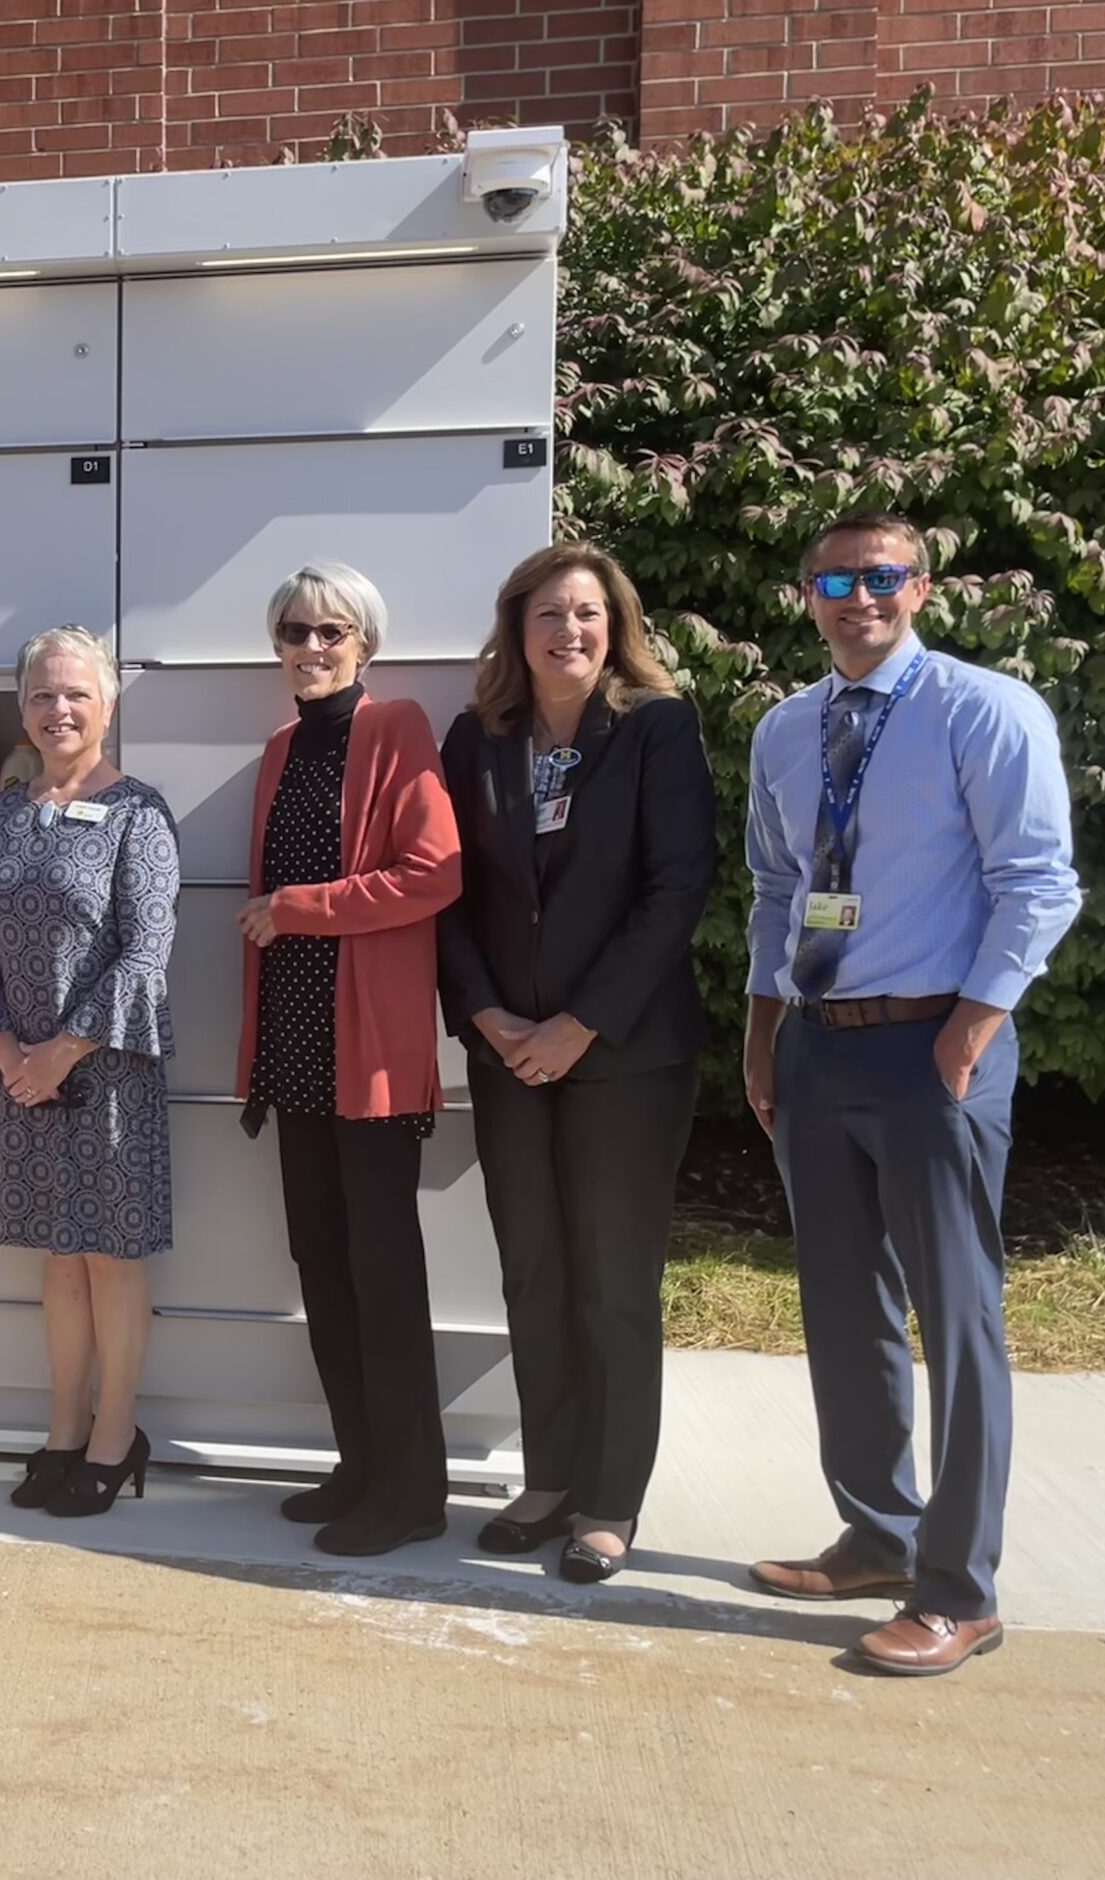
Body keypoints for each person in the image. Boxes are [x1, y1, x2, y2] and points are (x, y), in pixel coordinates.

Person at [742, 512, 1080, 1677]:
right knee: (843, 1306)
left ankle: (959, 1587)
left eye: (879, 578)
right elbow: (777, 891)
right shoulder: (788, 730)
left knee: (957, 1315)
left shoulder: (982, 710)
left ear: (920, 588)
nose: (856, 597)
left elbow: (1037, 883)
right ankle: (877, 1535)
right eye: (832, 579)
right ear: (805, 595)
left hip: (937, 1046)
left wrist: (973, 1028)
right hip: (817, 1049)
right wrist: (760, 1032)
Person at [438, 544, 716, 1584]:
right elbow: (448, 889)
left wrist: (579, 1023)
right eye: (548, 613)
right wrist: (487, 1012)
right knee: (534, 1272)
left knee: (612, 1284)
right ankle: (549, 1476)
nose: (569, 631)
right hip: (507, 1050)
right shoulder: (478, 739)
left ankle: (609, 1497)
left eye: (588, 613)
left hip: (625, 1059)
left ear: (617, 625)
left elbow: (675, 889)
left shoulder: (655, 728)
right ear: (516, 628)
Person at [235, 563, 462, 1558]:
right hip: (292, 1040)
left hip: (367, 1043)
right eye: (294, 631)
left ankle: (412, 1489)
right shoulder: (283, 745)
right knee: (322, 1263)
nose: (311, 647)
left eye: (331, 631)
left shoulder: (397, 726)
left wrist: (297, 909)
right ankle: (360, 1465)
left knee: (381, 1268)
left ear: (363, 643)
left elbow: (431, 874)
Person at [0, 626, 180, 1518]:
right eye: (43, 694)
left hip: (109, 1069)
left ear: (108, 704)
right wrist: (11, 1054)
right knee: (59, 1257)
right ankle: (63, 1430)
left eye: (77, 693)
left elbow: (148, 953)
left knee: (110, 1257)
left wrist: (63, 1051)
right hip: (23, 1075)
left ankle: (116, 1436)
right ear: (23, 708)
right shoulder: (3, 814)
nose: (60, 709)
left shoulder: (140, 814)